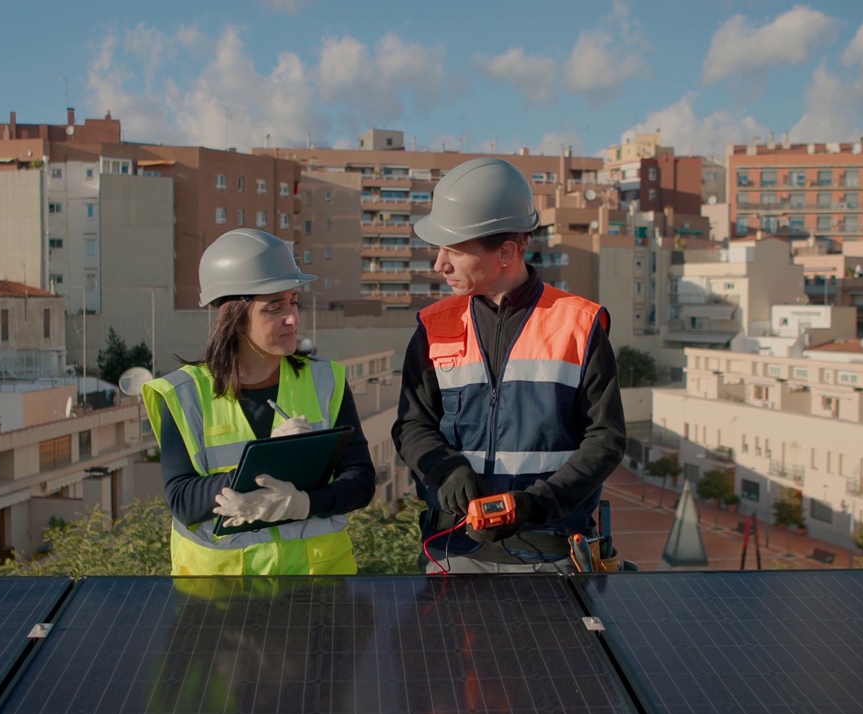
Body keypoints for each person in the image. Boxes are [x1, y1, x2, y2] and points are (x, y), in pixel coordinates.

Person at [392, 158, 627, 573]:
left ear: (505, 252)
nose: (439, 264)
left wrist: (536, 505)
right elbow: (412, 426)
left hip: (552, 551)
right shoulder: (434, 327)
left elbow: (605, 440)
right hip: (453, 547)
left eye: (454, 250)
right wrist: (445, 471)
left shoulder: (580, 324)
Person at [142, 228, 376, 576]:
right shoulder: (183, 394)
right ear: (234, 319)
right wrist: (258, 471)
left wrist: (304, 504)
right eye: (274, 308)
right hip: (222, 598)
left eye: (293, 302)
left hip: (318, 588)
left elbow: (360, 482)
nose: (293, 318)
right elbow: (183, 500)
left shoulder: (327, 381)